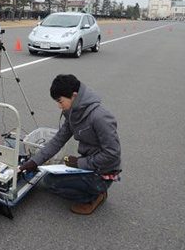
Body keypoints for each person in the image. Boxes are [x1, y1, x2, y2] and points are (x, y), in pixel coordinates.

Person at [19, 74, 122, 214]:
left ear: (74, 95)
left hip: (103, 171)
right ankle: (90, 186)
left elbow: (112, 155)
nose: (59, 106)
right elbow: (58, 140)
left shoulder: (100, 117)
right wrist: (34, 162)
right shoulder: (73, 113)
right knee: (49, 177)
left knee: (51, 183)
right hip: (88, 163)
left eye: (60, 102)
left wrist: (79, 163)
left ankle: (95, 196)